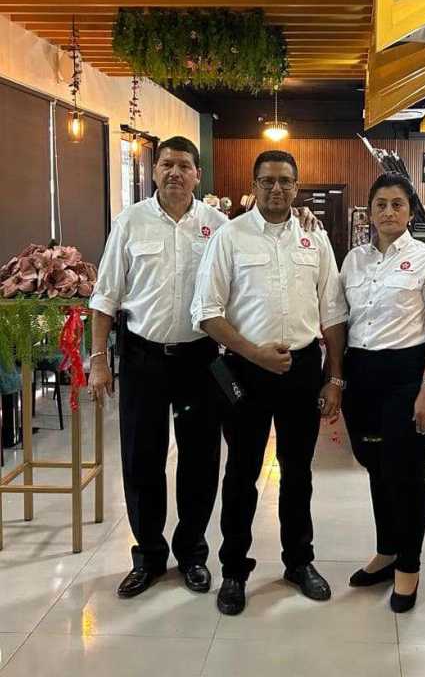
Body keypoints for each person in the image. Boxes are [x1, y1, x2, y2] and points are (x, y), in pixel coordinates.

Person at [88, 137, 318, 599]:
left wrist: (301, 217)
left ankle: (192, 553)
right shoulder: (129, 222)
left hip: (201, 359)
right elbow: (106, 295)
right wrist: (98, 359)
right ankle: (148, 556)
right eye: (167, 164)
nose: (175, 173)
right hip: (143, 356)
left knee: (200, 459)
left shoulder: (219, 225)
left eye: (185, 166)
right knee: (141, 457)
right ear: (155, 171)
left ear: (198, 174)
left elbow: (262, 245)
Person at [191, 150, 347, 616]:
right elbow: (206, 312)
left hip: (302, 369)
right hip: (245, 369)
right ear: (254, 185)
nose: (276, 188)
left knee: (299, 473)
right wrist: (253, 352)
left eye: (285, 181)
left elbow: (332, 314)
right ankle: (234, 570)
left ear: (296, 186)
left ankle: (299, 562)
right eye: (267, 181)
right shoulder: (230, 236)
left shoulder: (315, 240)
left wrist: (334, 378)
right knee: (241, 473)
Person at [340, 173, 425, 613]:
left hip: (409, 377)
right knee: (376, 467)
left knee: (405, 475)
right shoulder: (353, 260)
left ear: (410, 212)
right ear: (369, 212)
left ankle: (409, 566)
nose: (388, 212)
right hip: (363, 377)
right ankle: (387, 551)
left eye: (397, 204)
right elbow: (342, 320)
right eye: (380, 204)